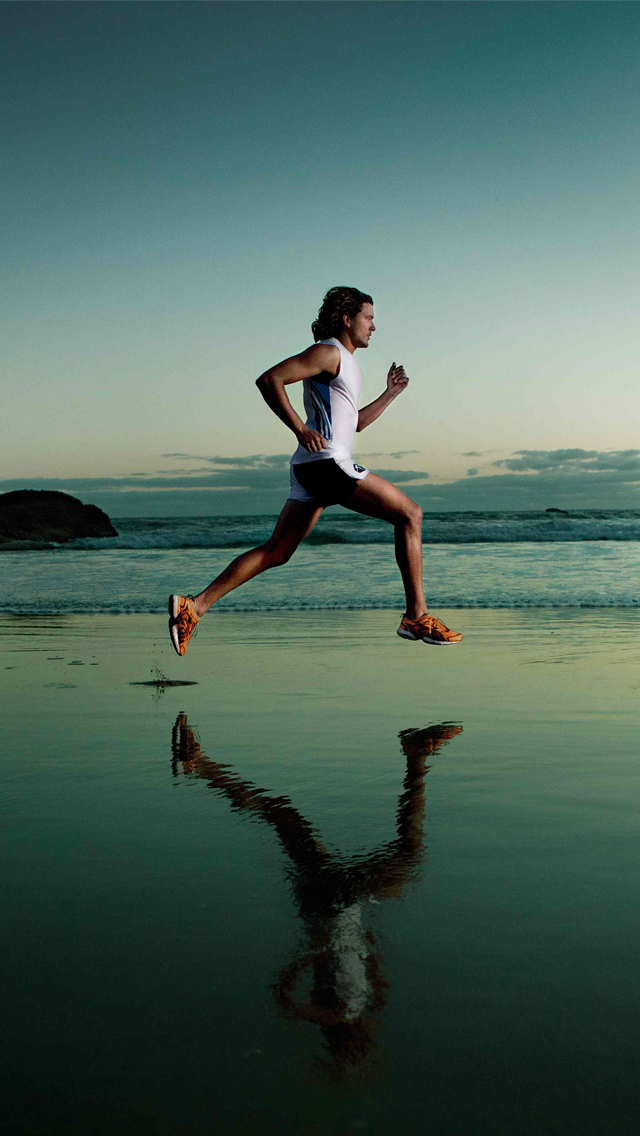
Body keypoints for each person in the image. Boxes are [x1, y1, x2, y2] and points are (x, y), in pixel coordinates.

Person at [169, 286, 462, 655]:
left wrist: (390, 394)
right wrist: (299, 428)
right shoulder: (327, 352)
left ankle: (193, 607)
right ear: (347, 319)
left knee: (277, 551)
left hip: (315, 467)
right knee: (410, 514)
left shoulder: (346, 362)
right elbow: (269, 379)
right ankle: (415, 615)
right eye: (368, 318)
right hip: (326, 463)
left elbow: (354, 424)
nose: (374, 326)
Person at [170, 712, 463, 1073]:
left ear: (354, 1042)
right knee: (284, 817)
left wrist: (315, 956)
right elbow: (366, 973)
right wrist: (365, 952)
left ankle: (416, 756)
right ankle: (199, 766)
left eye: (367, 1045)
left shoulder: (336, 1014)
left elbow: (284, 1000)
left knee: (407, 856)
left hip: (334, 904)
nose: (376, 1036)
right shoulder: (364, 1007)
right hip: (335, 905)